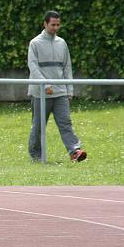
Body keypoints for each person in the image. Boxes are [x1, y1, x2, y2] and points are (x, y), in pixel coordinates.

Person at [27, 10, 87, 163]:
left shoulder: (62, 43)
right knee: (39, 126)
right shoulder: (35, 43)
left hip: (60, 92)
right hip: (40, 93)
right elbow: (33, 67)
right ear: (45, 24)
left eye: (58, 25)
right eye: (53, 25)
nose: (55, 28)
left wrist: (70, 89)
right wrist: (45, 84)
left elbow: (67, 67)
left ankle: (74, 151)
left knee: (66, 123)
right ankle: (36, 156)